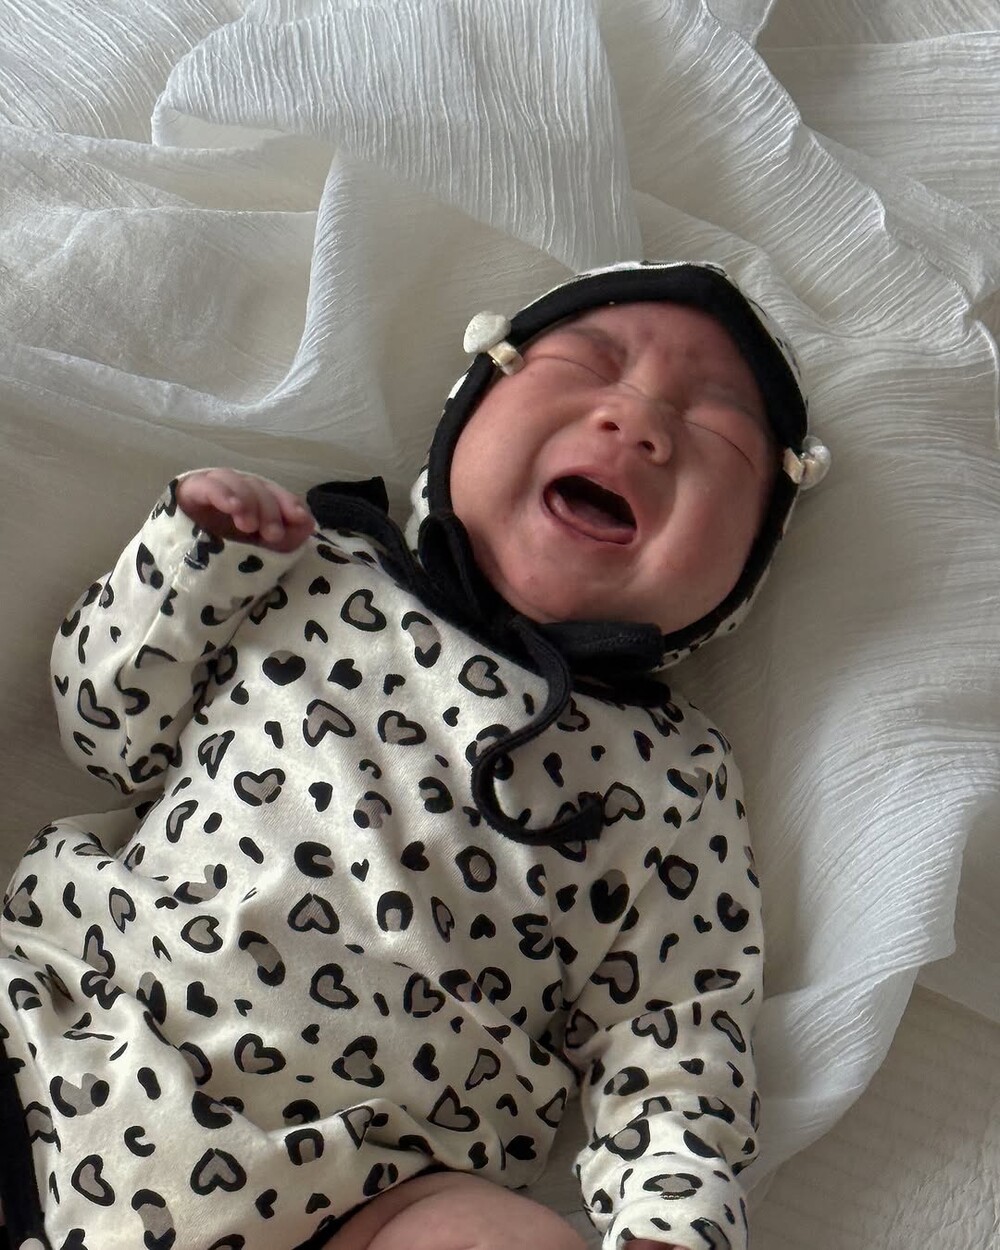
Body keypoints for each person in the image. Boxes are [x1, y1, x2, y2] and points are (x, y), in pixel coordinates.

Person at [0, 260, 828, 1250]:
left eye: (715, 430)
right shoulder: (310, 566)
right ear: (468, 402)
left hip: (359, 1183)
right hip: (70, 1017)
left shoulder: (675, 778)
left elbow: (677, 1027)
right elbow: (105, 727)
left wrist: (673, 1212)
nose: (638, 423)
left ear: (751, 560)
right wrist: (191, 557)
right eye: (586, 363)